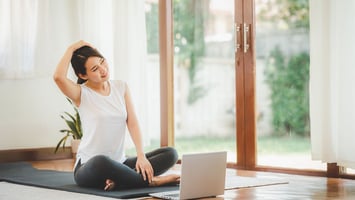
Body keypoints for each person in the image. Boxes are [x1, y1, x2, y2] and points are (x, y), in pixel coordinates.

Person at [53, 40, 180, 191]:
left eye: (102, 62)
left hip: (120, 163)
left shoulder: (121, 87)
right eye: (95, 68)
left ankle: (121, 181)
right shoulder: (81, 93)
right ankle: (152, 182)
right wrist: (72, 48)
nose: (103, 69)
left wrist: (141, 156)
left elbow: (132, 122)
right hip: (89, 166)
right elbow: (58, 77)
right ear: (83, 74)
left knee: (170, 153)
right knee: (101, 161)